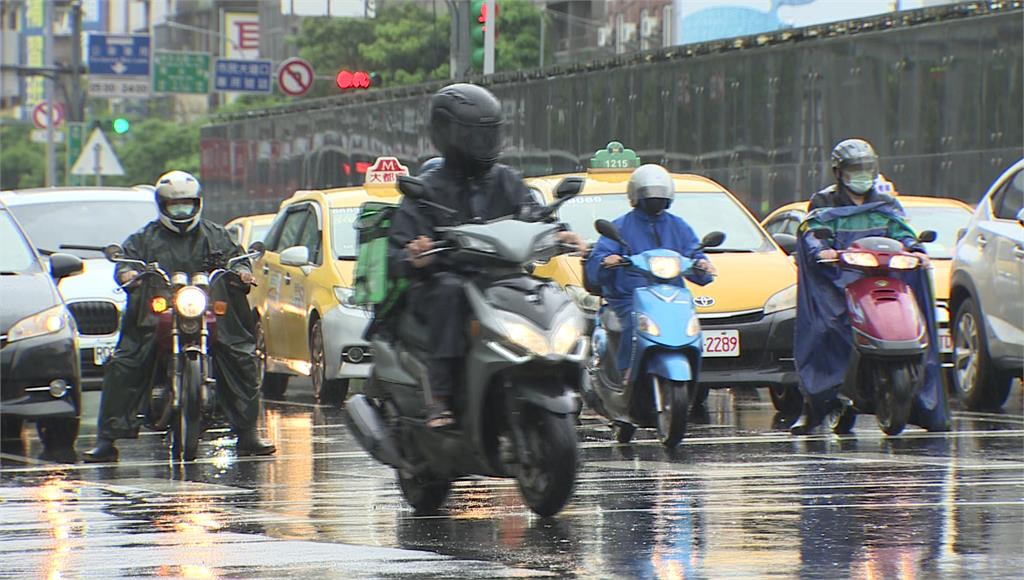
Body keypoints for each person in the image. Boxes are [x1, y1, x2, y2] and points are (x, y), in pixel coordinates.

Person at [386, 83, 583, 429]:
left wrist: (559, 233)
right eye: (474, 135)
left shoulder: (507, 180)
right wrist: (414, 253)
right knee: (450, 292)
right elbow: (398, 252)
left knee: (548, 293)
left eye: (489, 135)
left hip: (501, 280)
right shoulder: (426, 188)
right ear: (447, 134)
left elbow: (533, 214)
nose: (484, 144)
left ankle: (573, 377)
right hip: (443, 282)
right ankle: (440, 397)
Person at [83, 171, 276, 462]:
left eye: (186, 205)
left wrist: (242, 271)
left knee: (242, 355)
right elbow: (127, 260)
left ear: (197, 203)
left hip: (208, 310)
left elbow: (237, 258)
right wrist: (128, 272)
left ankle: (247, 431)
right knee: (125, 360)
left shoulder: (216, 235)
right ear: (162, 205)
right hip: (156, 314)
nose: (181, 211)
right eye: (174, 206)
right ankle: (107, 439)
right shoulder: (145, 237)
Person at [790, 145, 948, 435]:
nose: (861, 177)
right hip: (840, 281)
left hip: (882, 277)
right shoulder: (824, 201)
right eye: (854, 171)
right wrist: (822, 251)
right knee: (825, 329)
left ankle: (919, 399)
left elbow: (903, 232)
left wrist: (916, 249)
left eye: (866, 170)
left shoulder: (885, 203)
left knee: (918, 321)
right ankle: (813, 406)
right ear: (839, 173)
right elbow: (812, 233)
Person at [585, 164, 717, 382]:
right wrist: (606, 261)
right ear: (637, 195)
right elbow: (599, 260)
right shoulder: (620, 226)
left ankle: (692, 365)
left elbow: (693, 253)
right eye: (649, 194)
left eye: (660, 194)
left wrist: (702, 265)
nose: (655, 198)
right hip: (629, 296)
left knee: (688, 323)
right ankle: (626, 373)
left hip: (671, 295)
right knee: (633, 322)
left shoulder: (678, 226)